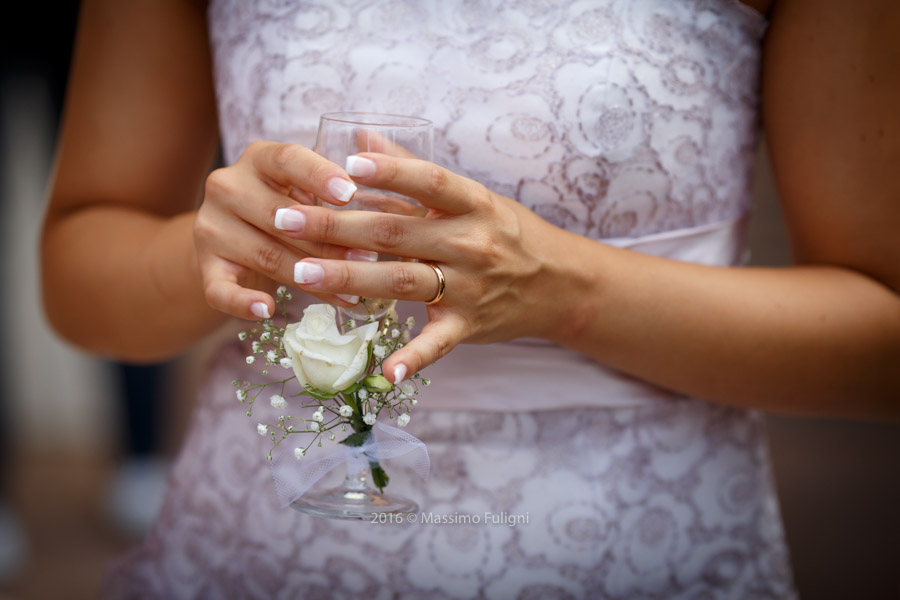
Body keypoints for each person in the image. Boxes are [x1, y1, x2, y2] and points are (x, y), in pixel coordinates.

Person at [41, 0, 899, 597]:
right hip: (264, 540)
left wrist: (567, 291)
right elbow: (79, 287)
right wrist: (213, 245)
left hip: (630, 545)